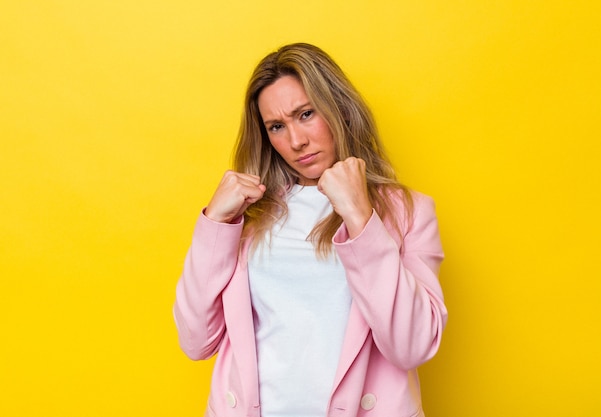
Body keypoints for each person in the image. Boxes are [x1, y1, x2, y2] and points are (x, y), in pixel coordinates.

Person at [174, 42, 447, 417]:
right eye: (276, 126)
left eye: (306, 114)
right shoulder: (250, 216)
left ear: (339, 110)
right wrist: (215, 225)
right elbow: (195, 341)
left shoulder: (408, 212)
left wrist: (359, 215)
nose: (296, 141)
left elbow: (412, 345)